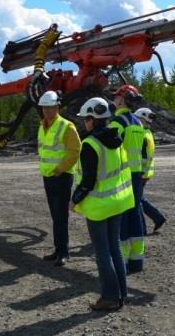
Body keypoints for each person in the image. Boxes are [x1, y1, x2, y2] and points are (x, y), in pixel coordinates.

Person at [72, 97, 134, 311]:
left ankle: (109, 296)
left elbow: (87, 181)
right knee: (115, 247)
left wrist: (74, 200)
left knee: (102, 252)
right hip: (118, 202)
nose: (84, 123)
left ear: (92, 120)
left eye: (85, 119)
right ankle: (121, 294)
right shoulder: (116, 138)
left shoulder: (90, 144)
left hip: (99, 207)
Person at [37, 90, 82, 267]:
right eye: (44, 108)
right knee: (55, 215)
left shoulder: (66, 126)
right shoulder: (43, 126)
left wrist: (60, 169)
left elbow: (75, 150)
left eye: (51, 107)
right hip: (48, 176)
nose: (47, 111)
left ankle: (63, 252)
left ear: (57, 107)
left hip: (61, 176)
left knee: (61, 215)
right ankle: (58, 249)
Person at [109, 84, 146, 274]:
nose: (114, 100)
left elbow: (110, 151)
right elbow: (145, 152)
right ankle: (137, 260)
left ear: (122, 100)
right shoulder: (139, 124)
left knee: (121, 217)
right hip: (137, 175)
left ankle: (121, 261)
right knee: (135, 215)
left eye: (116, 97)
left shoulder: (117, 123)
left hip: (122, 176)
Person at [134, 107, 166, 234]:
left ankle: (142, 229)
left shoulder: (141, 134)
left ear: (142, 119)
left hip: (140, 172)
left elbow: (141, 156)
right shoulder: (148, 133)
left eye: (137, 119)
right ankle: (158, 218)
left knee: (137, 201)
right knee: (139, 199)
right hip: (146, 172)